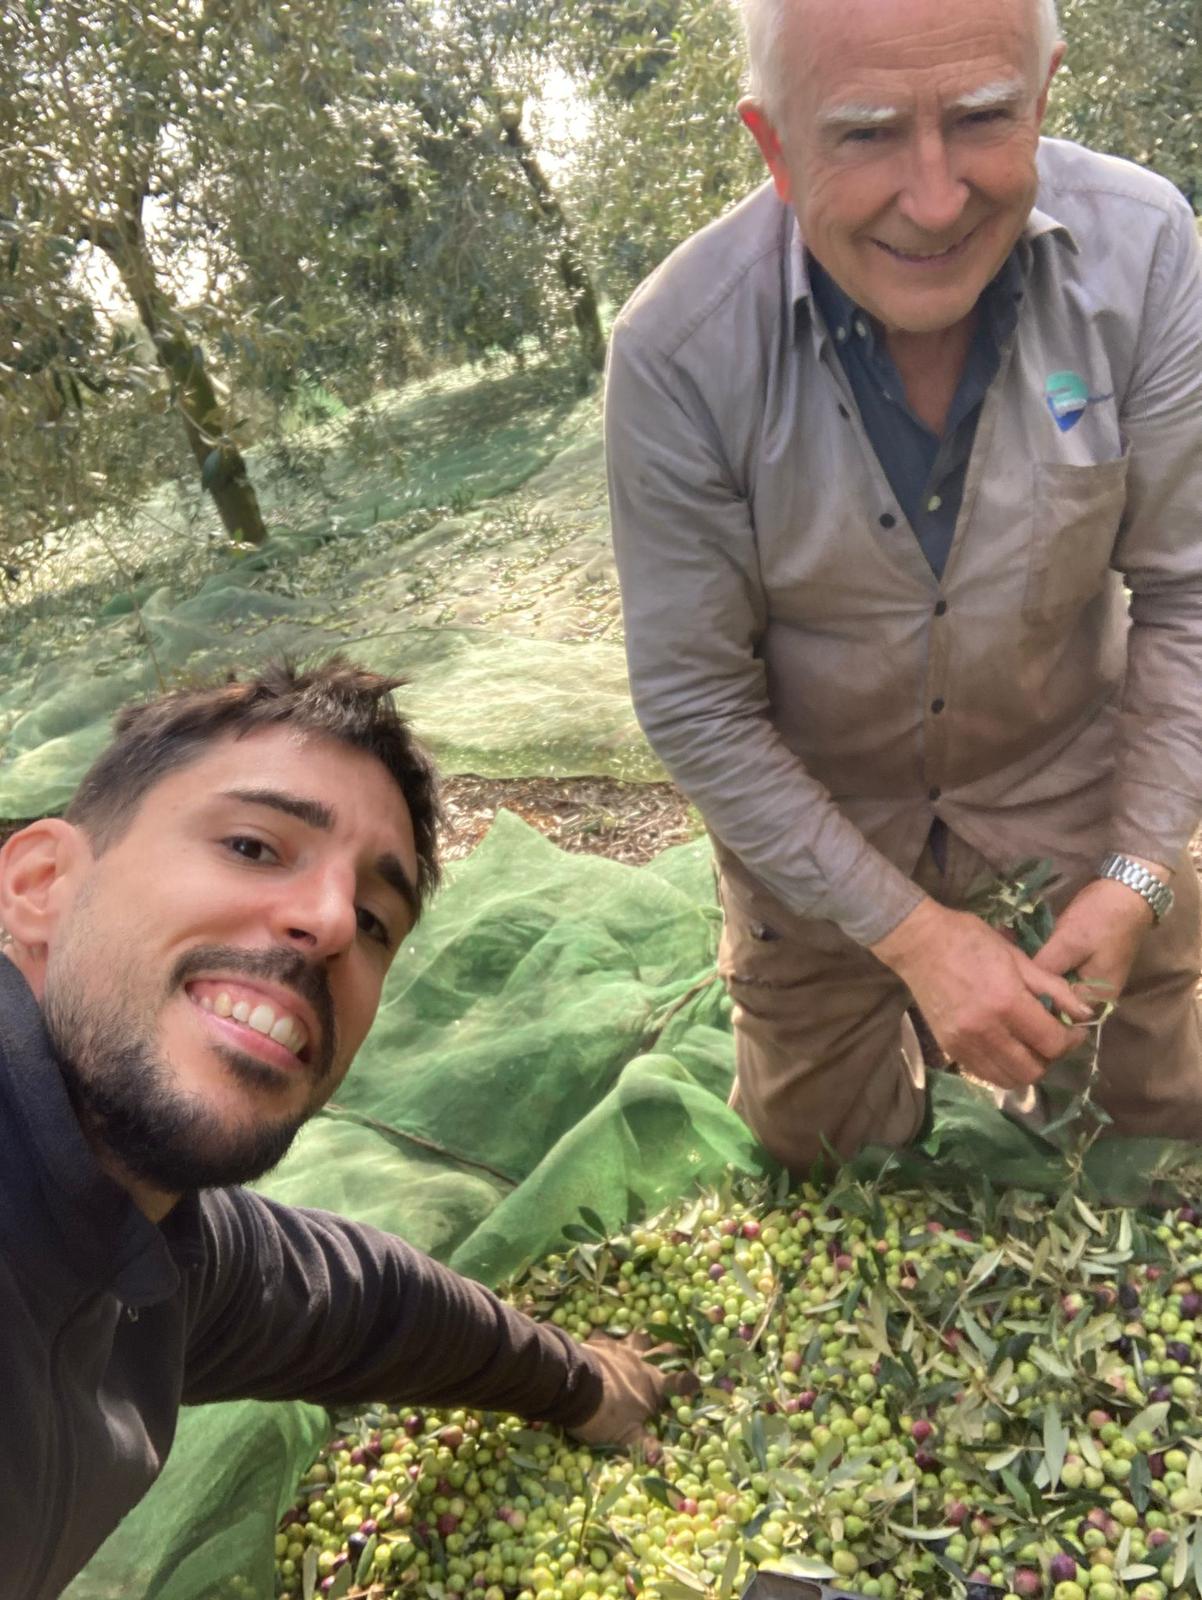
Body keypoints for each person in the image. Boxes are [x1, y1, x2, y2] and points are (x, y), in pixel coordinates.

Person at [605, 0, 1202, 1169]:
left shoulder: (1142, 250)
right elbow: (694, 702)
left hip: (1066, 783)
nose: (933, 201)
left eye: (981, 118)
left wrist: (1137, 871)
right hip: (822, 821)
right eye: (865, 133)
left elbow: (1185, 594)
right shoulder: (677, 351)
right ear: (774, 146)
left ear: (1042, 95)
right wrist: (911, 934)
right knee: (823, 1150)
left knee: (1160, 1113)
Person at [0, 659, 678, 1600]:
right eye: (252, 845)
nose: (327, 922)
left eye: (373, 920)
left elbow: (366, 1308)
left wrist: (582, 1383)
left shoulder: (151, 1246)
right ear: (41, 884)